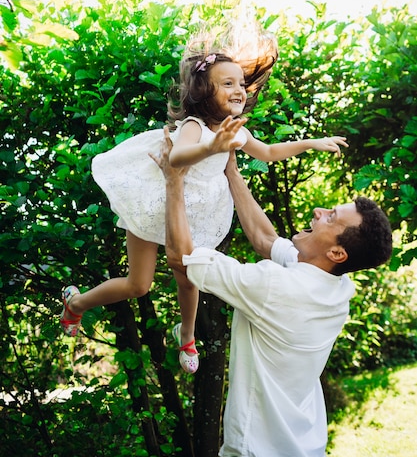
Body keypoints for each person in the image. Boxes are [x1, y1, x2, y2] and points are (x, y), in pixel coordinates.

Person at [59, 30, 347, 376]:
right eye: (227, 84)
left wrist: (311, 142)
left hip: (195, 210)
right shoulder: (195, 126)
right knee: (139, 285)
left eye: (240, 83)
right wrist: (212, 148)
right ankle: (76, 303)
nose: (239, 90)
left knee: (189, 276)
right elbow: (178, 156)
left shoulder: (237, 131)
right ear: (204, 93)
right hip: (156, 201)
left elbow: (269, 153)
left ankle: (187, 335)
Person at [155, 118, 392, 457]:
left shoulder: (276, 288)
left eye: (330, 217)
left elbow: (182, 259)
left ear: (338, 254)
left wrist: (174, 181)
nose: (318, 211)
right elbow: (266, 241)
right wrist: (231, 172)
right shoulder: (338, 287)